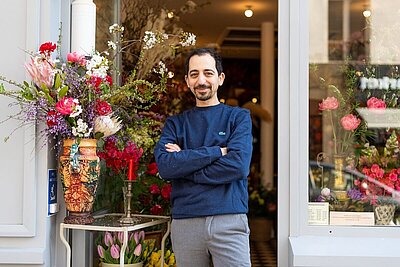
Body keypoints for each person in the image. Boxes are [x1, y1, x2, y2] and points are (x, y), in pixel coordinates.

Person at [154, 48, 253, 267]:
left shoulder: (238, 117)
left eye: (208, 73)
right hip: (186, 221)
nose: (202, 80)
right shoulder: (175, 124)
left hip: (229, 219)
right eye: (194, 74)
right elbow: (166, 167)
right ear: (188, 80)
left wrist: (186, 165)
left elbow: (238, 167)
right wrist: (217, 152)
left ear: (220, 78)